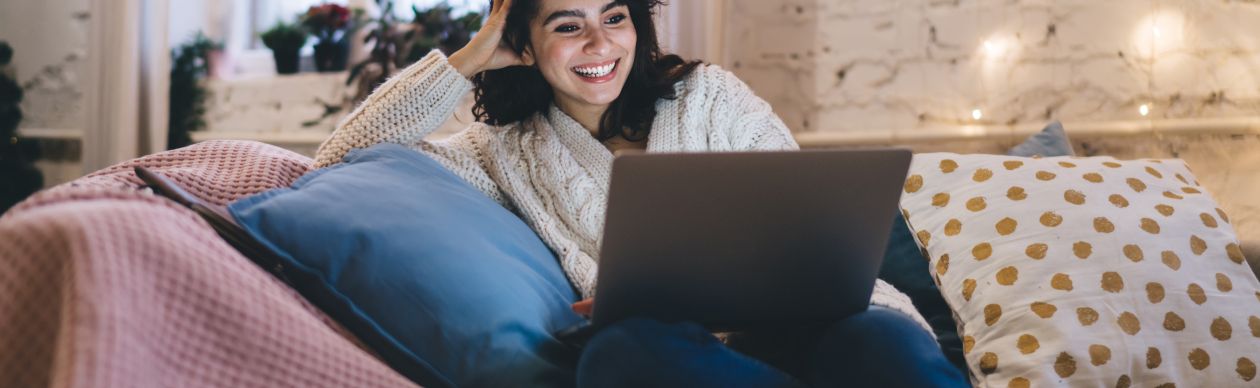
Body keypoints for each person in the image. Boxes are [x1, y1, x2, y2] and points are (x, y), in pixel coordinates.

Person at [315, 0, 967, 386]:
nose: (600, 43)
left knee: (884, 339)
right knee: (621, 356)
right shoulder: (502, 154)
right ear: (526, 44)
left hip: (811, 327)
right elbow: (341, 160)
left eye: (615, 17)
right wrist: (470, 55)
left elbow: (801, 225)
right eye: (568, 25)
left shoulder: (711, 96)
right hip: (683, 361)